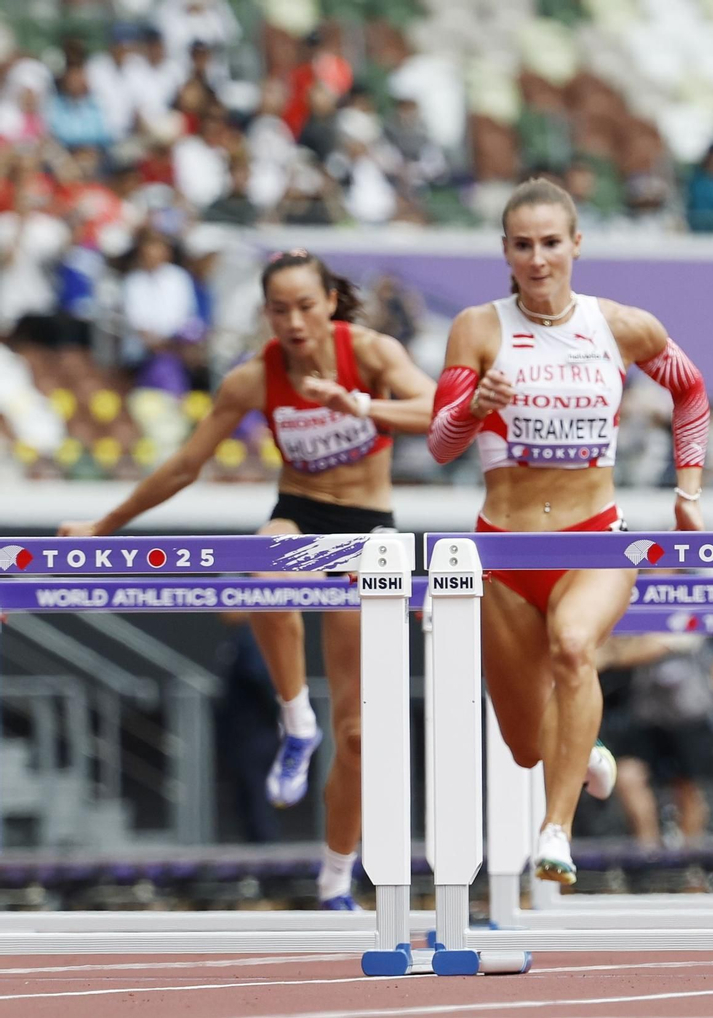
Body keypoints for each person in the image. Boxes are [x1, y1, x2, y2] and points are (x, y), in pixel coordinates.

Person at [60, 249, 437, 908]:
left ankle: (335, 875)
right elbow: (186, 465)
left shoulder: (371, 352)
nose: (294, 323)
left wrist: (355, 404)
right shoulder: (255, 377)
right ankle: (296, 721)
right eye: (279, 310)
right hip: (300, 512)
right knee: (266, 558)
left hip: (369, 530)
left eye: (306, 307)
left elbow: (437, 412)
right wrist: (105, 524)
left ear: (330, 303)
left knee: (357, 736)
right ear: (266, 313)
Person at [427, 178, 710, 884]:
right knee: (525, 745)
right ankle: (583, 753)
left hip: (596, 538)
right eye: (523, 245)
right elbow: (439, 443)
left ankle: (556, 830)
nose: (538, 258)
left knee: (575, 647)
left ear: (576, 244)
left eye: (551, 242)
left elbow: (691, 389)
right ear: (505, 251)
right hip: (505, 547)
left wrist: (688, 491)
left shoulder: (622, 326)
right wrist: (473, 408)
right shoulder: (477, 328)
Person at [602, 634, 713, 847]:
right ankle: (648, 854)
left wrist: (607, 655)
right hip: (646, 717)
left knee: (688, 789)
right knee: (628, 776)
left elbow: (644, 650)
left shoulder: (688, 624)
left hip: (691, 717)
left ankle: (690, 860)